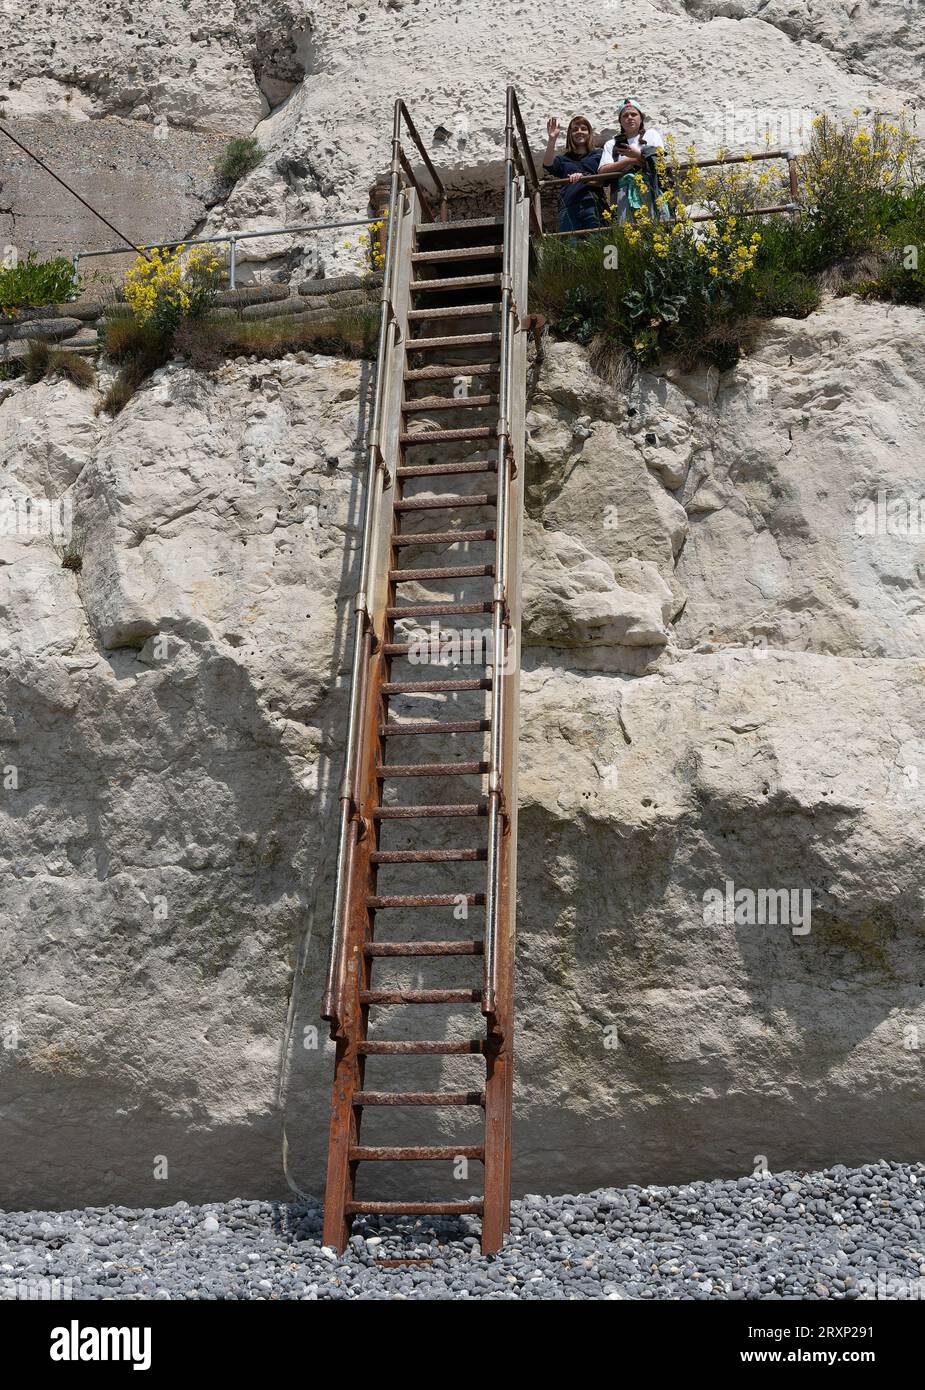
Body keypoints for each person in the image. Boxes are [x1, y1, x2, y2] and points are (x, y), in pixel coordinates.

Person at [597, 99, 669, 224]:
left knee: (655, 228)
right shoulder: (612, 144)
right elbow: (602, 170)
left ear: (641, 118)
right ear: (620, 121)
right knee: (627, 231)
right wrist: (628, 161)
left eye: (634, 114)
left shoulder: (651, 135)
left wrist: (636, 154)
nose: (630, 118)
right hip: (623, 193)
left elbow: (659, 162)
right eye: (625, 115)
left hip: (650, 189)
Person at [542, 115, 605, 235]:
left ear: (589, 132)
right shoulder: (563, 158)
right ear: (570, 134)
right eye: (575, 129)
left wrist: (583, 178)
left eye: (583, 128)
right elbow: (548, 164)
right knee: (572, 246)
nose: (579, 132)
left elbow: (603, 181)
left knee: (597, 245)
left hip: (593, 203)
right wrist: (552, 139)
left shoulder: (598, 154)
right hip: (568, 206)